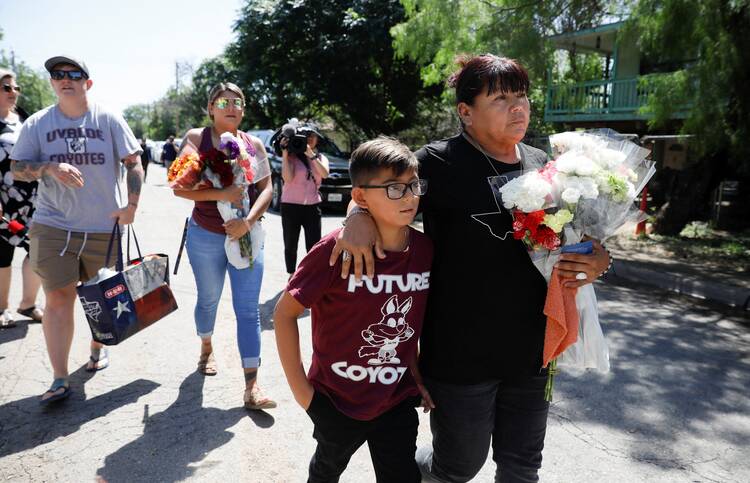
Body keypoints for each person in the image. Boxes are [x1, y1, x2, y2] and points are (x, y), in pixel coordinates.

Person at [331, 55, 611, 483]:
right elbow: (381, 191)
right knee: (458, 466)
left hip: (532, 352)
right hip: (459, 357)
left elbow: (579, 241)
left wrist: (599, 259)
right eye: (500, 98)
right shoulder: (437, 163)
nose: (518, 108)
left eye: (522, 97)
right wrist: (356, 215)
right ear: (465, 111)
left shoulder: (545, 167)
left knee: (522, 468)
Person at [274, 136, 434, 482]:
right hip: (335, 402)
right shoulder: (334, 251)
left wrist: (417, 376)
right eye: (393, 189)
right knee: (325, 472)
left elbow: (412, 325)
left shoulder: (425, 251)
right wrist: (304, 394)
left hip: (396, 399)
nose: (409, 197)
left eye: (413, 186)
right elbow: (284, 313)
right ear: (360, 197)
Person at [10, 55, 144, 404]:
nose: (64, 79)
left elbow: (134, 162)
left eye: (73, 74)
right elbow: (17, 167)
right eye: (57, 74)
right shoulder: (38, 123)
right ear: (52, 82)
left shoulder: (108, 118)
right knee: (57, 298)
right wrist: (49, 167)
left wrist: (130, 206)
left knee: (98, 298)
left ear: (88, 82)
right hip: (53, 225)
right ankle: (59, 378)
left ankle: (98, 347)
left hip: (104, 227)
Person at [173, 82, 275, 410]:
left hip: (246, 236)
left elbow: (267, 189)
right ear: (210, 108)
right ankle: (206, 345)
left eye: (238, 101)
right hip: (205, 235)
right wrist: (221, 194)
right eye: (223, 101)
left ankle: (252, 386)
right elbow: (179, 188)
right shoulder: (195, 139)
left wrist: (247, 221)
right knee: (208, 300)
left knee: (248, 310)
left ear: (243, 110)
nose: (231, 106)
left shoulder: (253, 143)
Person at [0, 67, 43, 328]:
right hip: (4, 200)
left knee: (37, 250)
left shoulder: (24, 119)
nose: (13, 92)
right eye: (6, 87)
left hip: (34, 199)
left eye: (16, 87)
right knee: (2, 255)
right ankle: (2, 308)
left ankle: (28, 303)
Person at [280, 125, 329, 277]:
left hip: (312, 206)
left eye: (312, 136)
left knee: (314, 244)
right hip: (290, 205)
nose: (309, 139)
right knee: (290, 243)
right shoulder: (292, 157)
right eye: (305, 135)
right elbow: (287, 178)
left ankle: (312, 274)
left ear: (317, 139)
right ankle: (291, 273)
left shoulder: (321, 158)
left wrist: (311, 155)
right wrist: (285, 154)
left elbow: (325, 174)